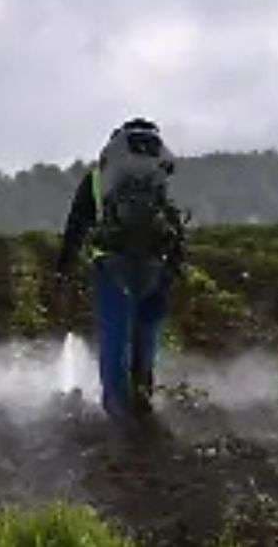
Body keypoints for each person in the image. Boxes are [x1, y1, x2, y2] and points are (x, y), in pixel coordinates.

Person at [56, 118, 186, 423]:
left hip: (111, 264)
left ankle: (117, 406)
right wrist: (176, 265)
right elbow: (172, 222)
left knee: (115, 334)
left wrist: (64, 267)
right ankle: (143, 393)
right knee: (147, 332)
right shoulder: (157, 174)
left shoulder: (98, 179)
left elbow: (77, 225)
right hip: (155, 263)